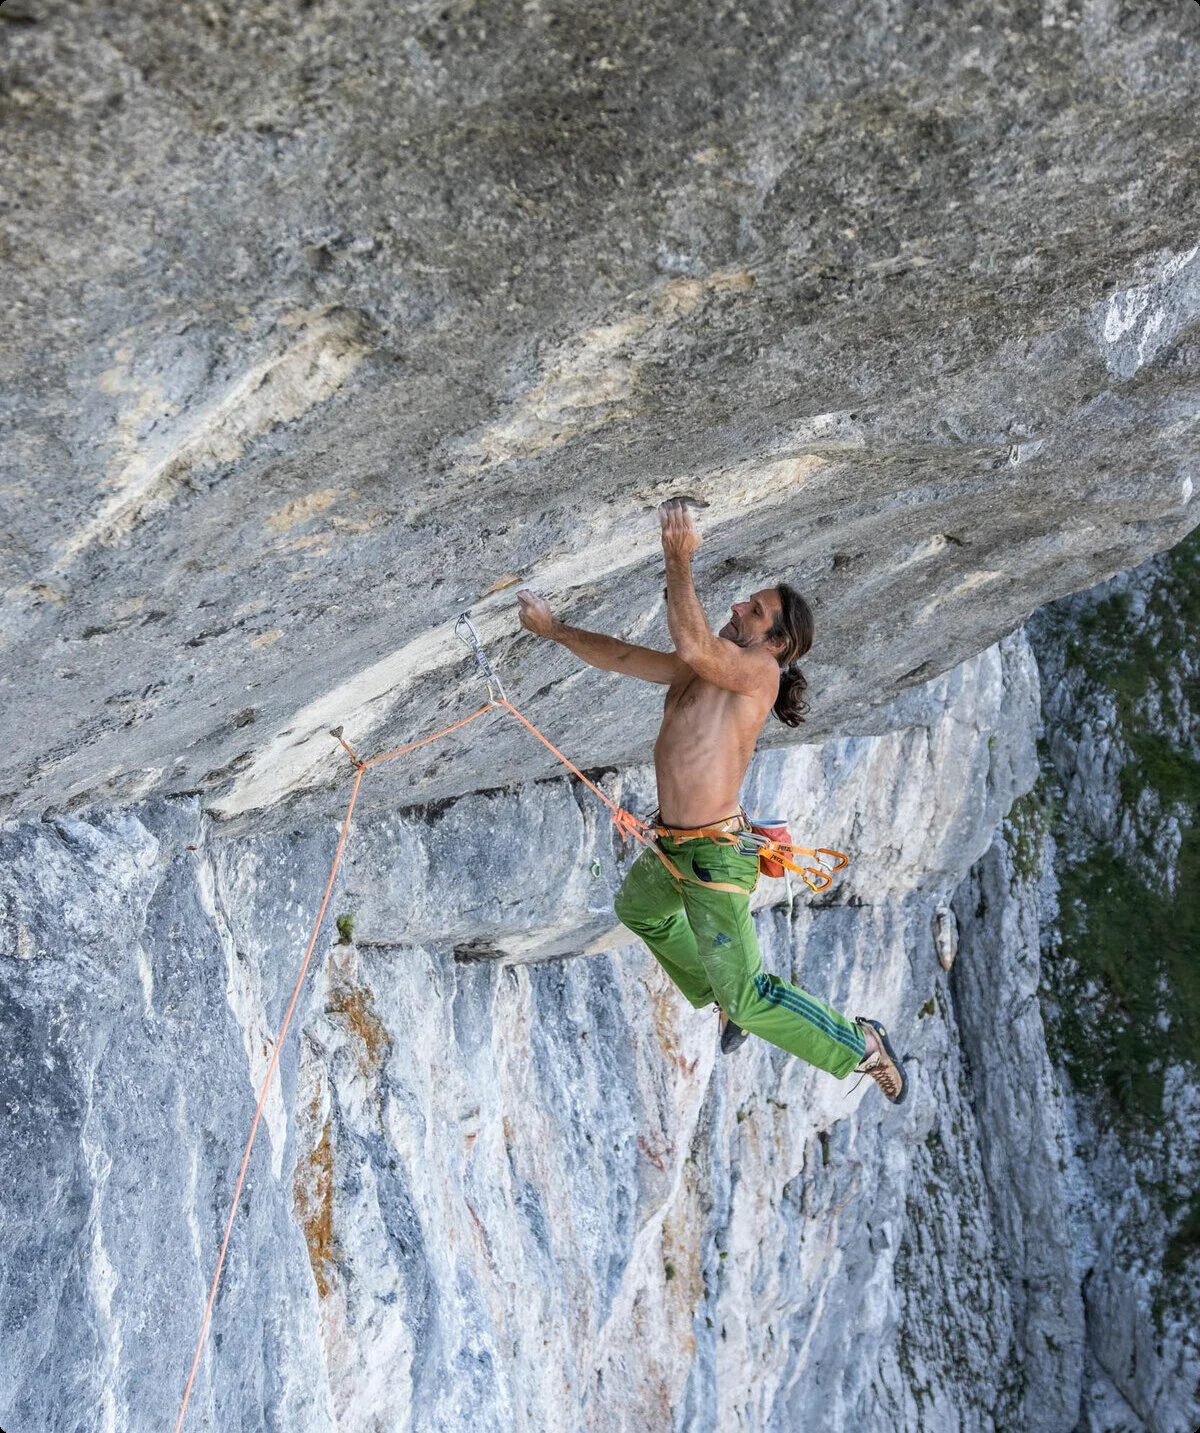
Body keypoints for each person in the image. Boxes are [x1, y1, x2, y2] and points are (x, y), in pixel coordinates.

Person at [516, 499, 907, 1103]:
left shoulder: (758, 673)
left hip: (712, 861)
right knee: (640, 910)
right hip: (673, 847)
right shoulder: (698, 672)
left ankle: (859, 1044)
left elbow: (697, 646)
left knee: (750, 993)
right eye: (745, 603)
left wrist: (678, 558)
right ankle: (721, 1000)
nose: (737, 608)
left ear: (776, 643)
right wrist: (556, 631)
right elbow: (623, 656)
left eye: (753, 612)